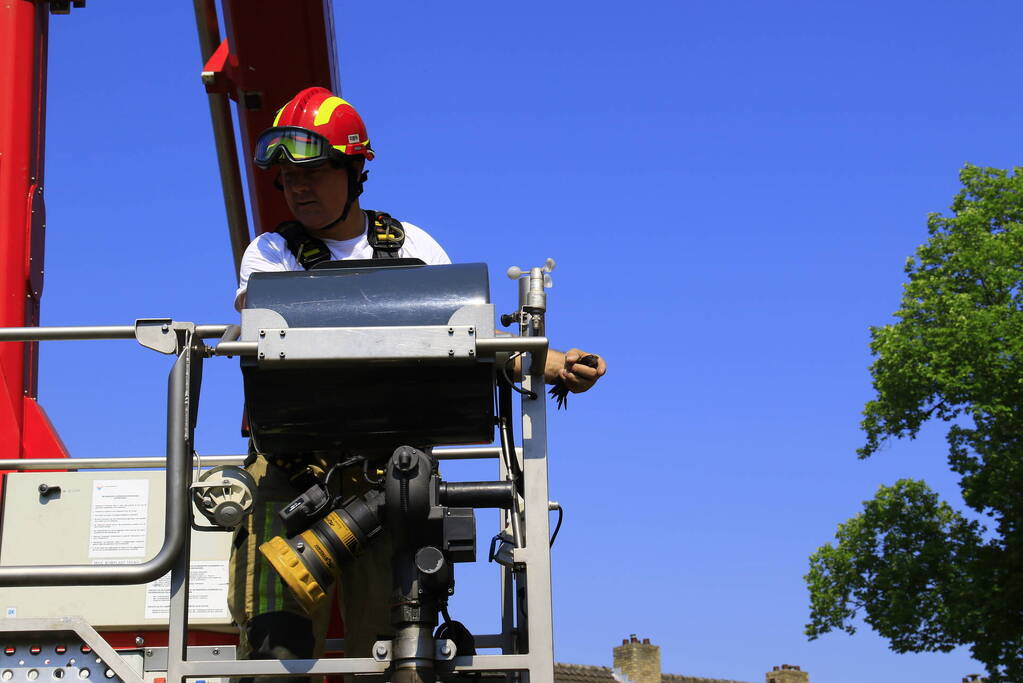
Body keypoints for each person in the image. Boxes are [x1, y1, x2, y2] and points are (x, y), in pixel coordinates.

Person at [228, 86, 607, 676]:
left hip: (390, 483)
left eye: (314, 171)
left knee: (392, 652)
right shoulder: (271, 253)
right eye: (285, 177)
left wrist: (544, 361)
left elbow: (467, 337)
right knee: (272, 651)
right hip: (288, 475)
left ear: (355, 170)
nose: (296, 187)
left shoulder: (412, 246)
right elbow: (278, 334)